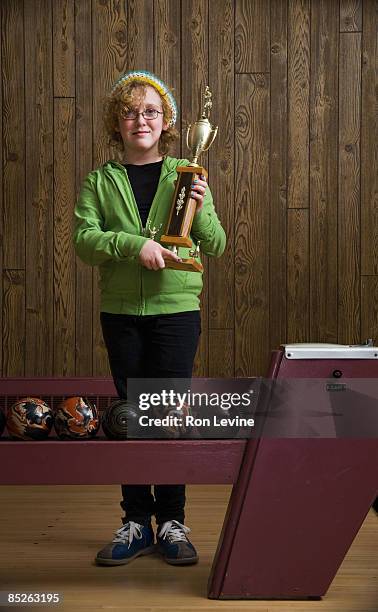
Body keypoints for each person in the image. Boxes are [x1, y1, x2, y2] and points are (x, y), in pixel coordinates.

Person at [73, 70, 226, 567]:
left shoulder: (188, 172)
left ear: (168, 123)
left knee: (169, 415)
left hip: (176, 311)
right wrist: (134, 245)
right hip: (120, 312)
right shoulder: (100, 180)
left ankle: (173, 521)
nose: (141, 119)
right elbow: (84, 242)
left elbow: (217, 244)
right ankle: (136, 522)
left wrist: (200, 210)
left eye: (152, 111)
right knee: (131, 415)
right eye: (131, 111)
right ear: (116, 123)